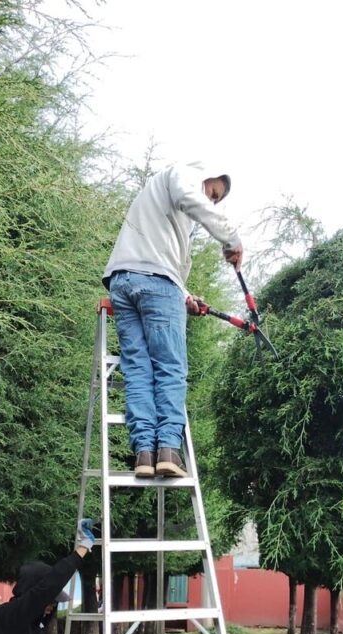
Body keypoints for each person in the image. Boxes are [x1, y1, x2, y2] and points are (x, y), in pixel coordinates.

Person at [102, 164, 243, 479]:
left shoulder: (161, 201)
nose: (211, 201)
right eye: (213, 193)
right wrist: (231, 239)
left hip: (123, 282)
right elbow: (190, 199)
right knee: (169, 369)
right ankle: (168, 449)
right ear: (206, 173)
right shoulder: (183, 175)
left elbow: (165, 262)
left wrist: (185, 295)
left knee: (137, 371)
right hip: (155, 282)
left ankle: (144, 454)